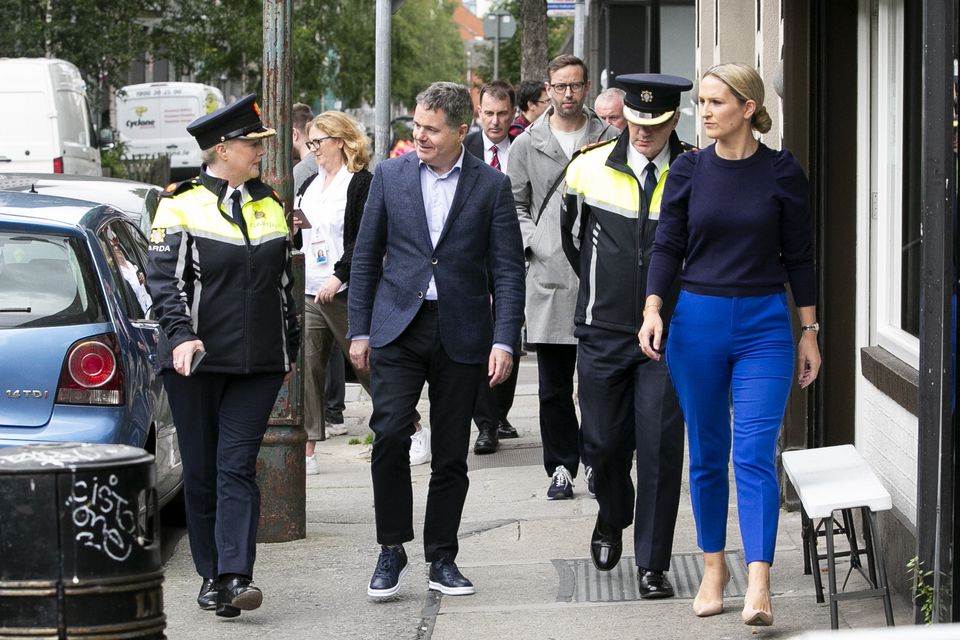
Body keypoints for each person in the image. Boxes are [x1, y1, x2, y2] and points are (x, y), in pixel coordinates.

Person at [638, 62, 821, 627]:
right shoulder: (689, 170)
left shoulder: (783, 173)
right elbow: (666, 245)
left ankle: (760, 582)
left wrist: (810, 331)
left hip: (766, 324)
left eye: (717, 102)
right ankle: (714, 569)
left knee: (755, 454)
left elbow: (801, 256)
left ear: (748, 108)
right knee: (710, 454)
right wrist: (652, 308)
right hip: (697, 324)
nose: (705, 111)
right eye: (704, 103)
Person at [348, 81, 525, 600]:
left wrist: (505, 339)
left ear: (459, 131)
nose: (419, 136)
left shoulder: (491, 186)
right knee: (388, 438)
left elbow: (508, 271)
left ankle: (442, 556)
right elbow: (364, 257)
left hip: (463, 331)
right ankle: (391, 549)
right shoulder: (390, 176)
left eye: (430, 129)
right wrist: (359, 329)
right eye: (415, 126)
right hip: (398, 327)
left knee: (451, 453)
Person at [145, 94, 299, 618]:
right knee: (204, 470)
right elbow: (163, 283)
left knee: (237, 467)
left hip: (257, 364)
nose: (259, 151)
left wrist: (290, 347)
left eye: (258, 143)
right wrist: (181, 335)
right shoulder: (179, 202)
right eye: (251, 143)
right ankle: (210, 576)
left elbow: (285, 285)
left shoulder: (271, 203)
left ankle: (236, 576)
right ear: (221, 149)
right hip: (196, 362)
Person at [561, 73, 693, 599]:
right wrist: (604, 292)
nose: (643, 132)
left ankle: (653, 565)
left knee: (661, 448)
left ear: (673, 121)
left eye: (655, 122)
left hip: (669, 335)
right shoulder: (588, 167)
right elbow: (574, 241)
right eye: (636, 120)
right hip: (602, 329)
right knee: (602, 443)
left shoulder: (692, 171)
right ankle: (612, 512)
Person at [507, 54, 616, 500]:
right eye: (559, 86)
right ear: (547, 90)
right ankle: (560, 467)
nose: (567, 94)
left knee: (596, 383)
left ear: (586, 87)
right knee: (553, 386)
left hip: (599, 277)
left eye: (575, 86)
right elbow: (512, 205)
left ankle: (595, 460)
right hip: (548, 278)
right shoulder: (526, 144)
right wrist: (537, 242)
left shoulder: (609, 137)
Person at [292, 111, 374, 474]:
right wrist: (292, 228)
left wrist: (339, 277)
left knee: (366, 365)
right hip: (310, 290)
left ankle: (410, 427)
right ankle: (307, 449)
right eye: (310, 144)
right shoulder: (308, 185)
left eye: (318, 143)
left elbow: (365, 240)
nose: (313, 151)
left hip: (346, 292)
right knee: (307, 369)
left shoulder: (359, 183)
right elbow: (301, 239)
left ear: (340, 141)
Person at [463, 80, 523, 454]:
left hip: (511, 256)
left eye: (503, 114)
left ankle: (499, 412)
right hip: (469, 259)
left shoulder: (525, 149)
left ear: (513, 113)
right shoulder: (464, 148)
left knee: (507, 335)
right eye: (489, 113)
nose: (495, 121)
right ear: (478, 113)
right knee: (475, 339)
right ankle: (485, 424)